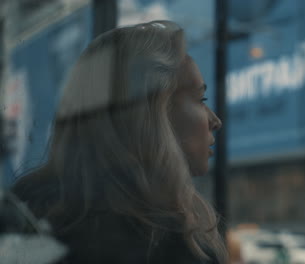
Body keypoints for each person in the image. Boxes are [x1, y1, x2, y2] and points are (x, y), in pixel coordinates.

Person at [11, 20, 228, 264]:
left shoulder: (25, 208)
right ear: (153, 114)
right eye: (201, 99)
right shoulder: (166, 240)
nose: (215, 120)